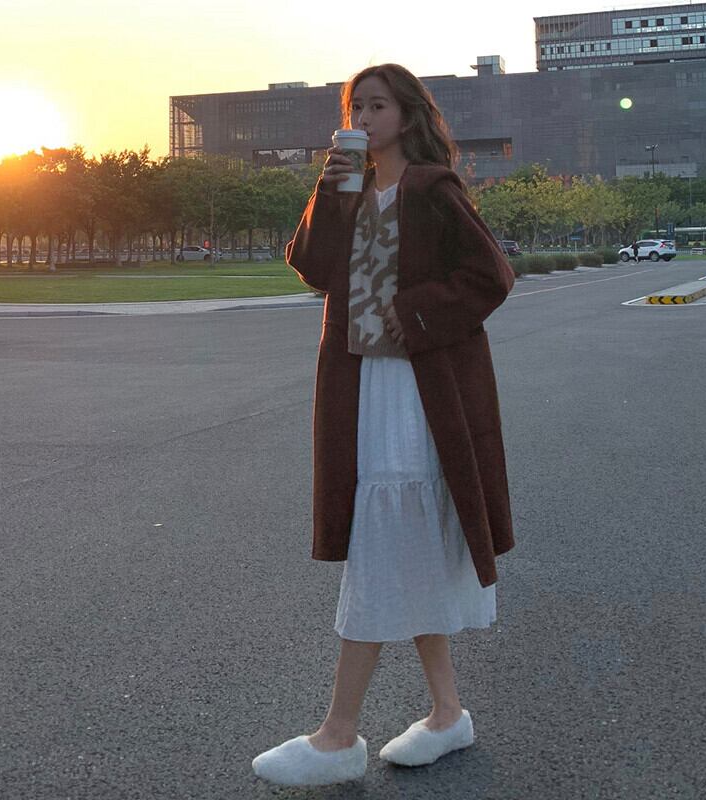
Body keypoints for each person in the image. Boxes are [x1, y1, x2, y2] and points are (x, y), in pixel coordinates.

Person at [251, 63, 516, 787]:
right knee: (402, 536)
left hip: (420, 390)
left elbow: (491, 275)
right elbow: (312, 267)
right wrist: (329, 187)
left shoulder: (431, 188)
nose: (363, 119)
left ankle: (338, 734)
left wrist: (414, 312)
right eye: (355, 108)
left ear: (407, 115)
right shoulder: (352, 188)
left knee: (383, 538)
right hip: (362, 383)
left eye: (376, 106)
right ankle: (447, 713)